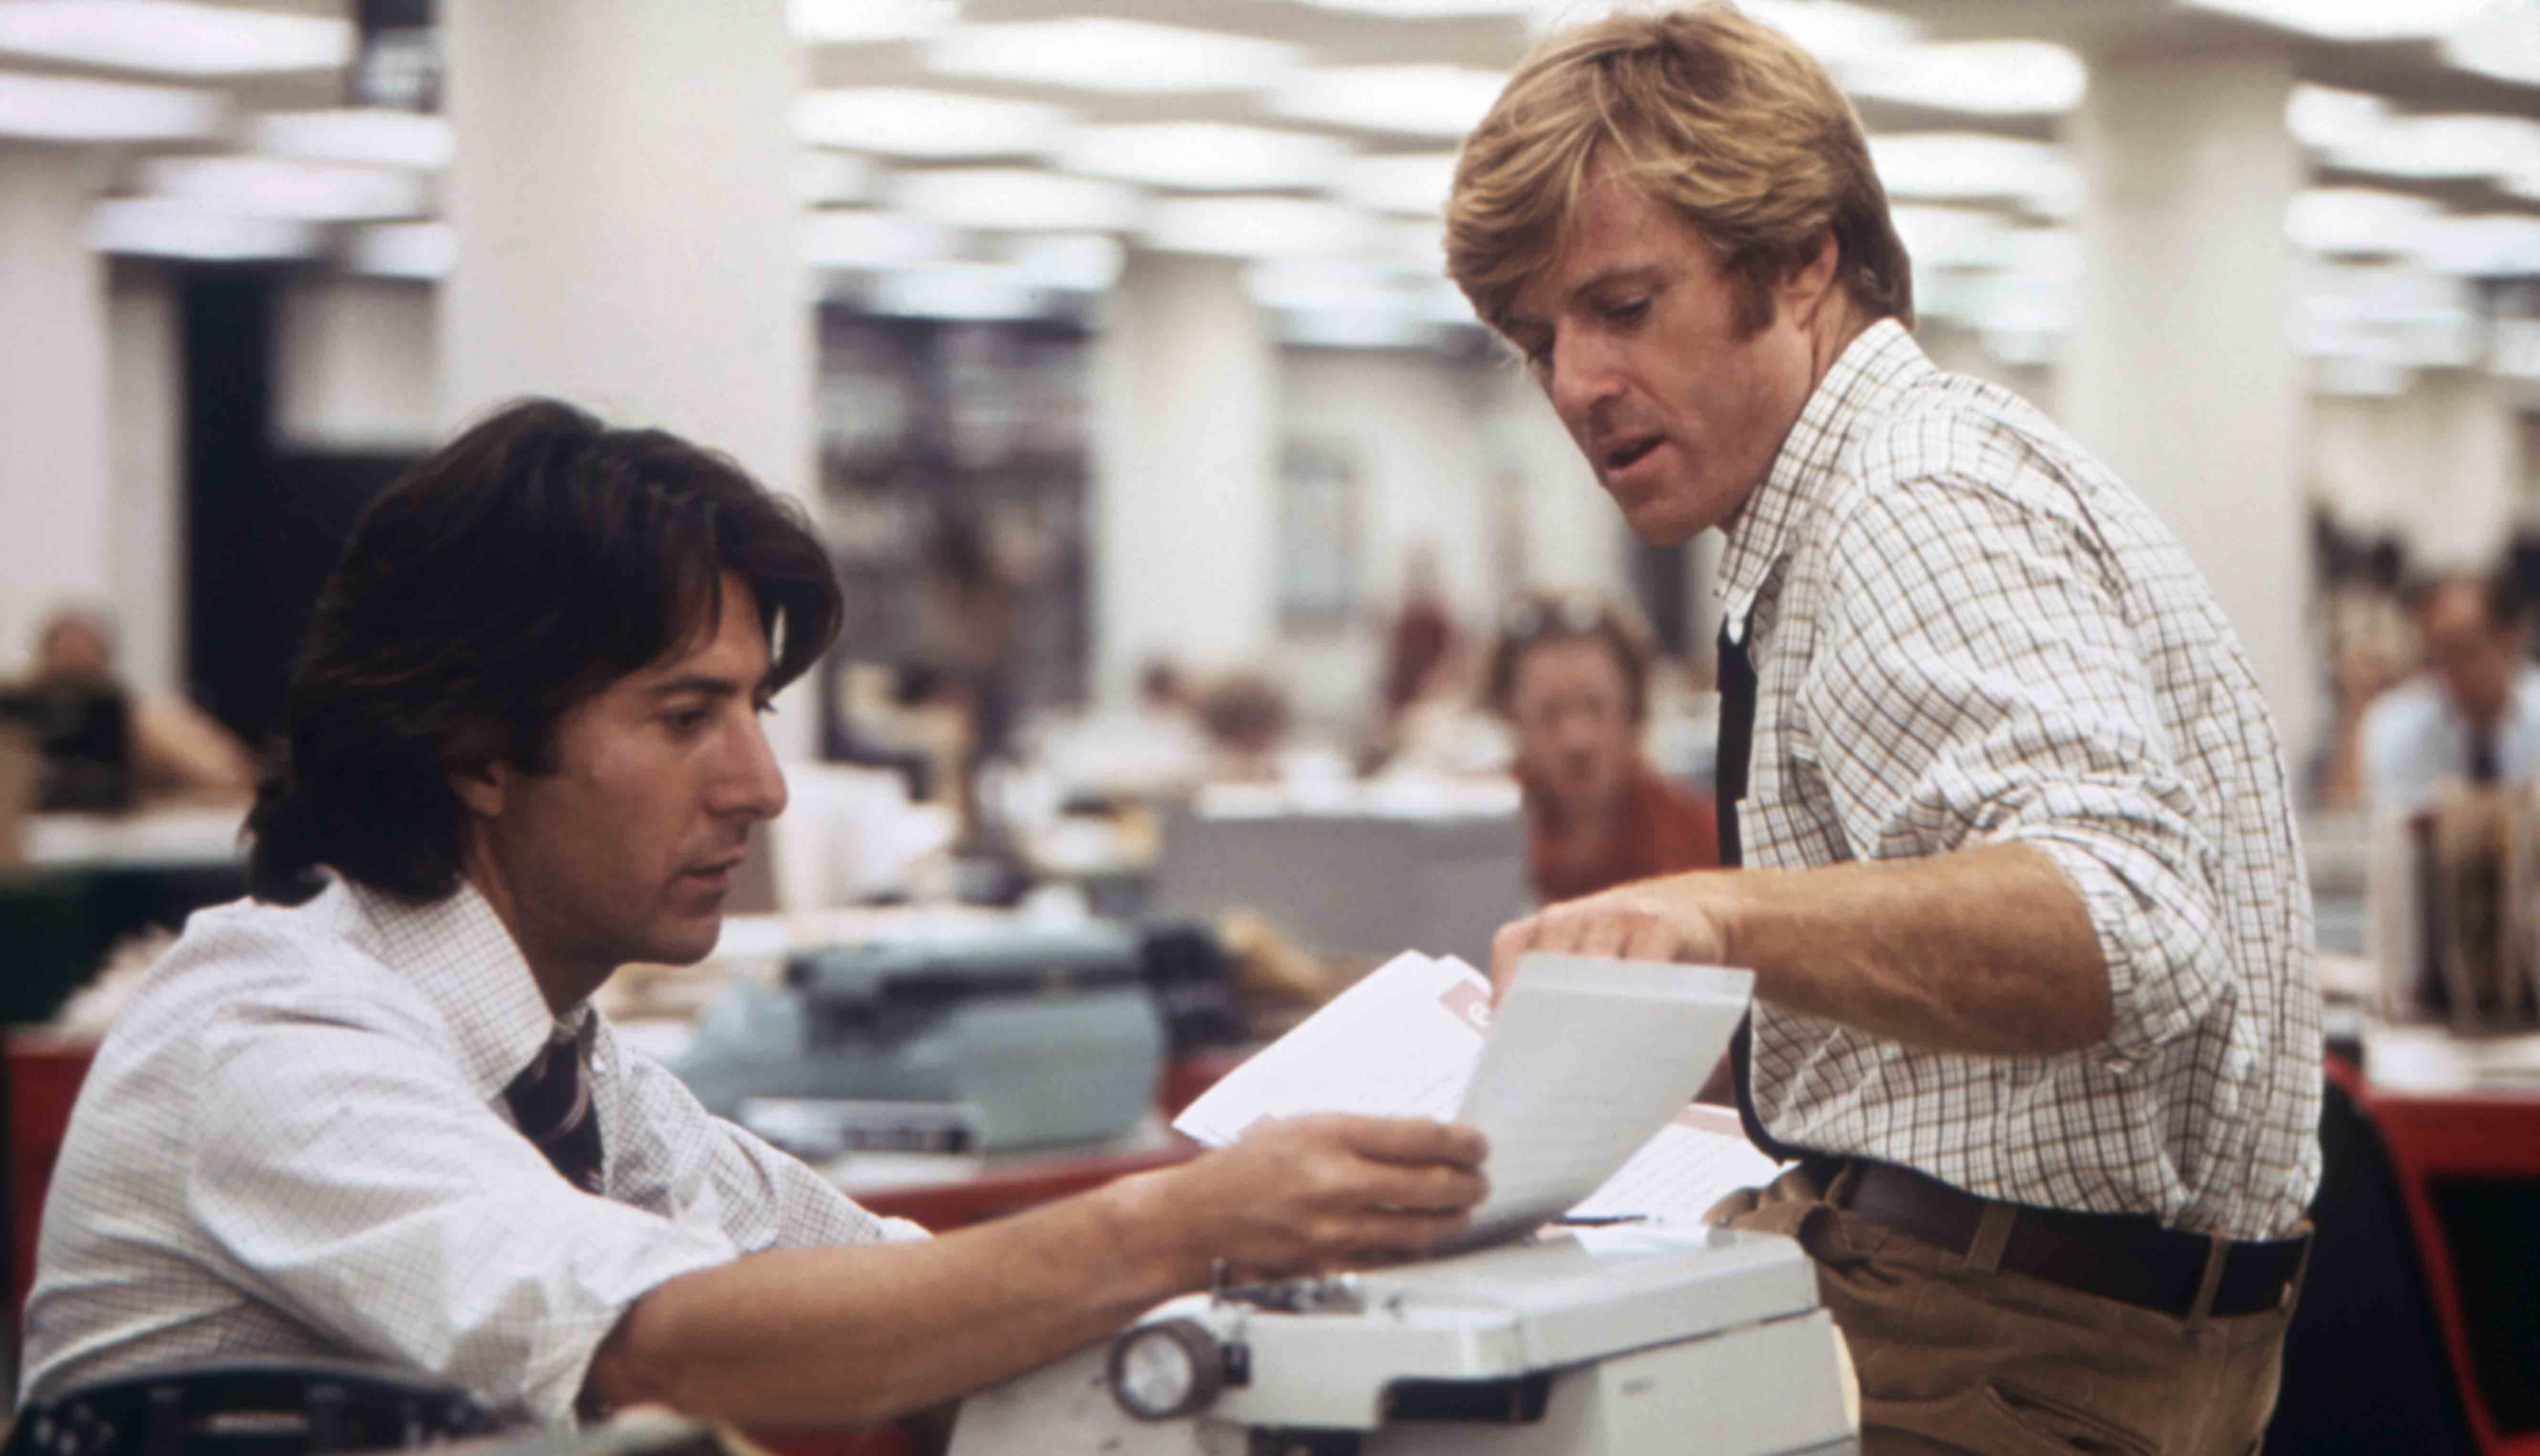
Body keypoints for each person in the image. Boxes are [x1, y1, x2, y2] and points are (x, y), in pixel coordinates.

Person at [21, 400, 1487, 1431]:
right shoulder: (272, 1042)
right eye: (684, 717)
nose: (763, 788)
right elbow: (657, 1341)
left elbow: (899, 1307)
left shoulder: (580, 1083)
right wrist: (1182, 1222)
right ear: (473, 745)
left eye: (755, 712)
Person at [1444, 8, 2319, 1454]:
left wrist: (1715, 915)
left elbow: (2125, 920)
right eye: (1538, 340)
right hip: (2017, 1314)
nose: (1575, 384)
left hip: (1984, 1351)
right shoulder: (1904, 477)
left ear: (1798, 262)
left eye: (1619, 306)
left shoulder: (1903, 507)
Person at [1484, 591, 1717, 901]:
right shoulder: (1474, 837)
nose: (1577, 739)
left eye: (1597, 707)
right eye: (1549, 714)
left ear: (1633, 709)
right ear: (1511, 717)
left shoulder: (1702, 839)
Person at [23, 606, 257, 803]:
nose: (74, 662)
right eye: (66, 658)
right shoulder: (17, 725)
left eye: (81, 658)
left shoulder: (148, 718)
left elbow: (233, 778)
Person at [2360, 571, 2540, 814]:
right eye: (2437, 655)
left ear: (2510, 638)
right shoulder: (2394, 726)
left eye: (2465, 650)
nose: (2451, 672)